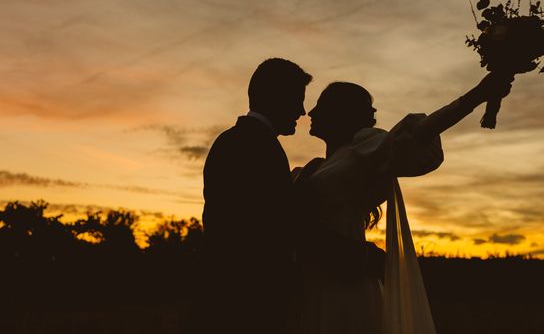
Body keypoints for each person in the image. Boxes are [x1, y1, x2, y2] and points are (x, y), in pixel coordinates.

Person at [292, 73, 513, 334]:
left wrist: (474, 97)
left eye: (322, 105)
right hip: (310, 283)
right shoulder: (316, 167)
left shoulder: (362, 150)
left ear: (341, 113)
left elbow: (419, 131)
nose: (312, 111)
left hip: (343, 289)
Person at [200, 58, 312, 334]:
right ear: (276, 97)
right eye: (297, 100)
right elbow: (267, 225)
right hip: (245, 299)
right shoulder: (256, 145)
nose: (302, 110)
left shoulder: (236, 140)